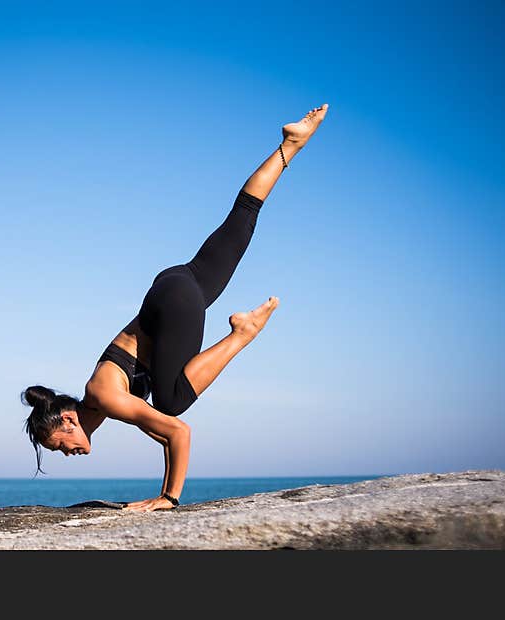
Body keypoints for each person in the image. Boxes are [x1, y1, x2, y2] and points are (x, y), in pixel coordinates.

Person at [21, 104, 329, 512]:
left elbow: (177, 432)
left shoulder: (104, 397)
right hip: (174, 286)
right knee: (241, 221)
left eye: (59, 446)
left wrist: (168, 497)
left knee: (171, 402)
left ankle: (242, 333)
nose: (65, 453)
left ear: (68, 421)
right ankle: (291, 144)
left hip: (174, 304)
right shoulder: (97, 403)